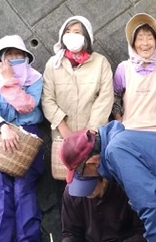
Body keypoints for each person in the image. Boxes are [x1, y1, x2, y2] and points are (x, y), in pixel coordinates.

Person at [0, 35, 44, 242]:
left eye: (17, 55)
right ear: (1, 60)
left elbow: (28, 105)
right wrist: (2, 126)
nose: (13, 59)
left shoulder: (36, 79)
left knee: (24, 190)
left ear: (26, 56)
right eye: (8, 56)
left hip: (27, 136)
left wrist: (10, 82)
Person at [41, 15, 113, 180]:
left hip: (92, 138)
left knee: (91, 184)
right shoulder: (53, 64)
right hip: (62, 138)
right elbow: (47, 99)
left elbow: (105, 99)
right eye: (68, 31)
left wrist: (90, 132)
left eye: (77, 32)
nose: (72, 35)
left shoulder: (101, 63)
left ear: (86, 36)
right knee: (65, 186)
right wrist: (65, 131)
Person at [113, 13, 156, 133]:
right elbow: (115, 97)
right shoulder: (123, 68)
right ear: (132, 43)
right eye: (140, 38)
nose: (145, 43)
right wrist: (119, 119)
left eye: (150, 38)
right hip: (130, 129)